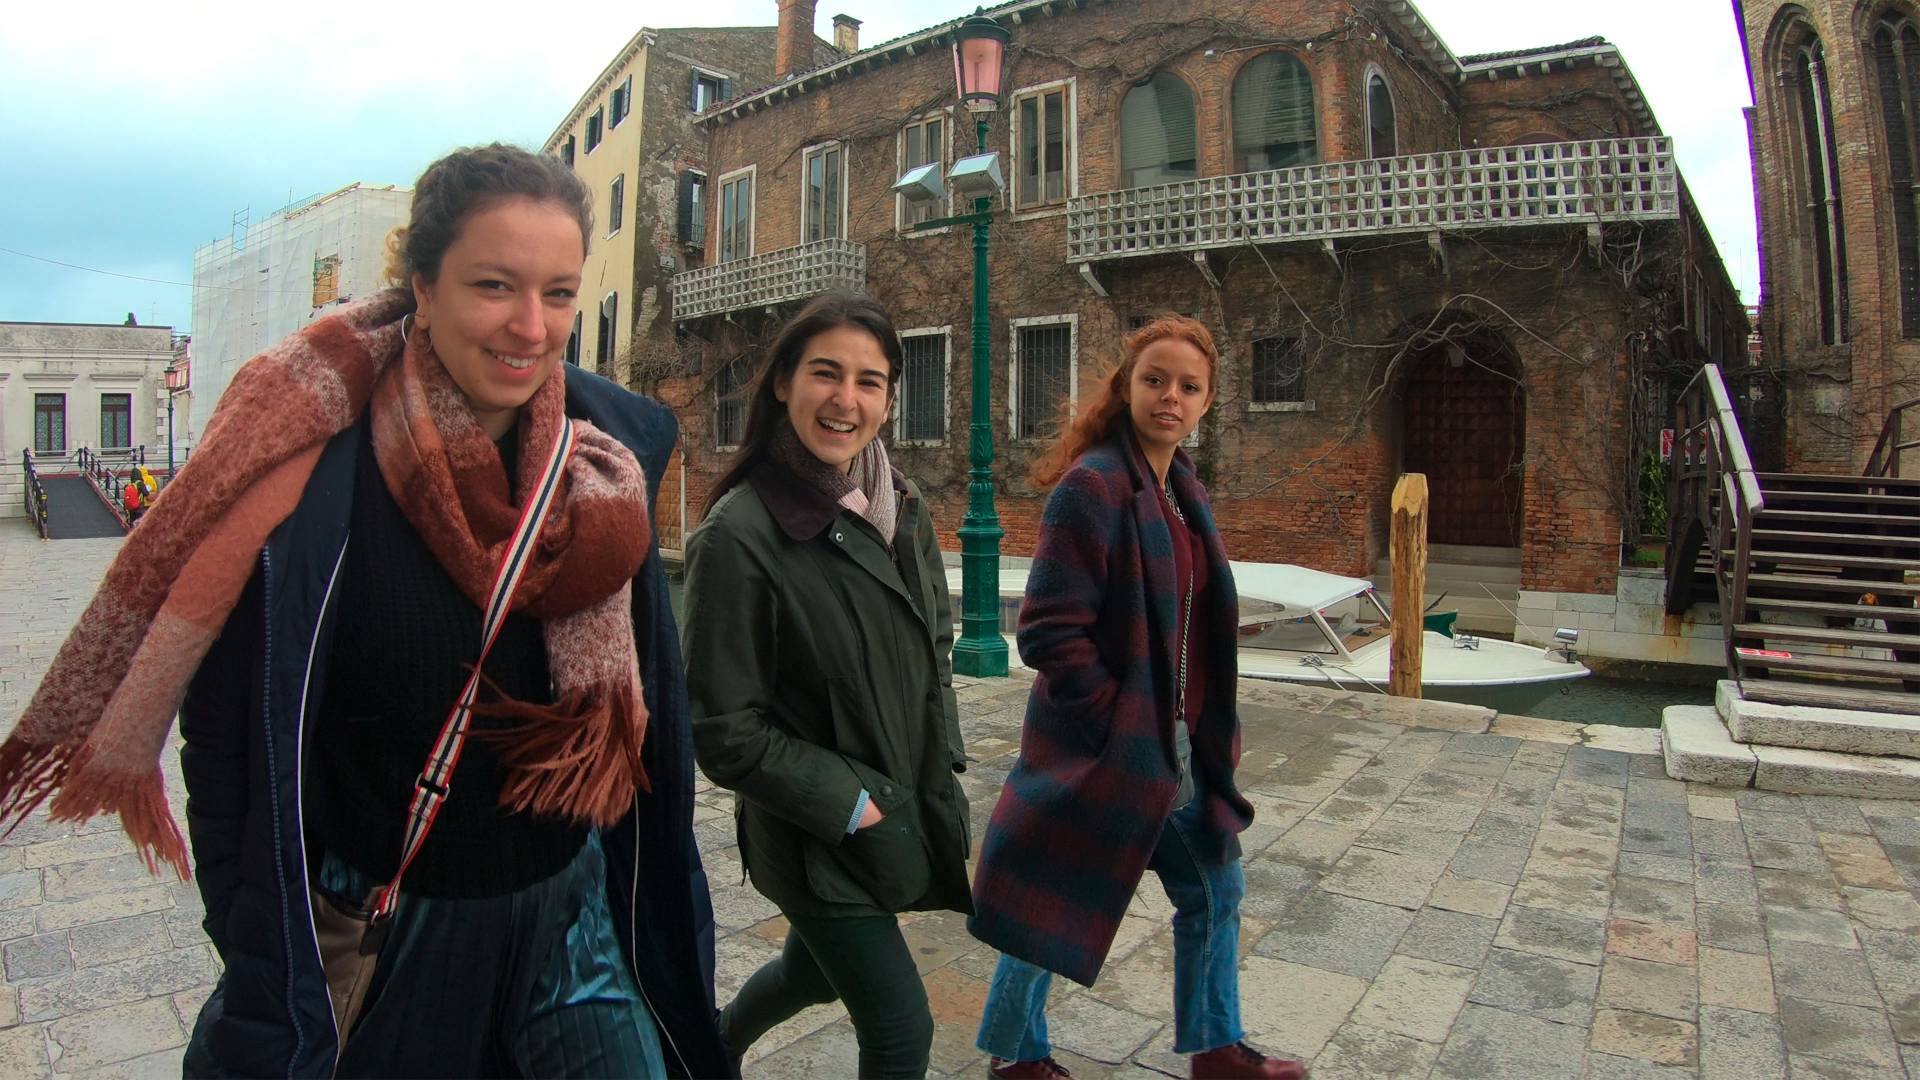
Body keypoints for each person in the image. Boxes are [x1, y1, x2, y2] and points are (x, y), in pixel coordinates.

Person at [0, 144, 728, 1079]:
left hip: (573, 916)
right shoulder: (312, 467)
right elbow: (226, 736)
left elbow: (652, 726)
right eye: (495, 285)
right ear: (422, 286)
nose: (530, 326)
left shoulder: (609, 466)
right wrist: (260, 941)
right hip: (393, 927)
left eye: (558, 293)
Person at [967, 316, 1305, 1080]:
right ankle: (1023, 1058)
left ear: (1208, 401)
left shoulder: (1184, 491)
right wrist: (1117, 723)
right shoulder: (1093, 487)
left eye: (1189, 387)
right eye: (1155, 380)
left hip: (1177, 741)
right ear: (1127, 386)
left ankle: (1214, 1048)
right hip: (1112, 748)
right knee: (1059, 894)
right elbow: (1049, 631)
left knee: (1211, 883)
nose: (1170, 397)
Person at [682, 293, 971, 1079]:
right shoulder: (739, 537)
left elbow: (933, 640)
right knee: (902, 1031)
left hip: (895, 805)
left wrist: (937, 756)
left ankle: (707, 1049)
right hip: (818, 835)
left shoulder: (899, 506)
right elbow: (721, 728)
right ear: (783, 382)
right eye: (826, 374)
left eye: (870, 381)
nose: (847, 400)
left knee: (811, 973)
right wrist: (854, 804)